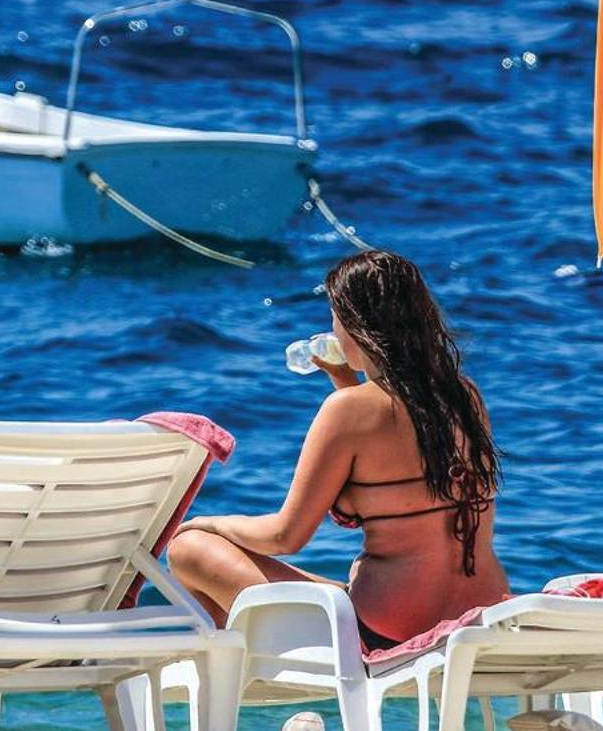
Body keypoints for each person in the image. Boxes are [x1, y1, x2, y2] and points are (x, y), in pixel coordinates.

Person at [168, 250, 510, 651]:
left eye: (335, 316)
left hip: (386, 630)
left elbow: (285, 536)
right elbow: (400, 443)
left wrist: (210, 523)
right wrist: (348, 382)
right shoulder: (463, 394)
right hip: (482, 615)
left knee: (188, 549)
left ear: (354, 326)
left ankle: (252, 682)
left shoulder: (346, 412)